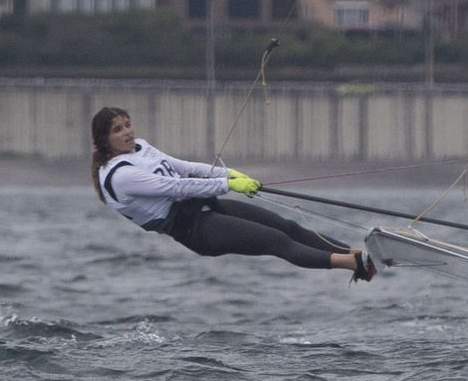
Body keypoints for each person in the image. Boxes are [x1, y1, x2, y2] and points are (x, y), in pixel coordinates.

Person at [89, 106, 374, 282]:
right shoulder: (120, 176)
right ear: (105, 140)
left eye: (127, 124)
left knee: (287, 226)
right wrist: (229, 185)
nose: (127, 132)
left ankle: (357, 253)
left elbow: (185, 168)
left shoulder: (140, 146)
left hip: (208, 207)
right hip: (195, 230)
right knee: (276, 241)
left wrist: (228, 174)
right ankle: (355, 265)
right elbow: (177, 187)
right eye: (118, 130)